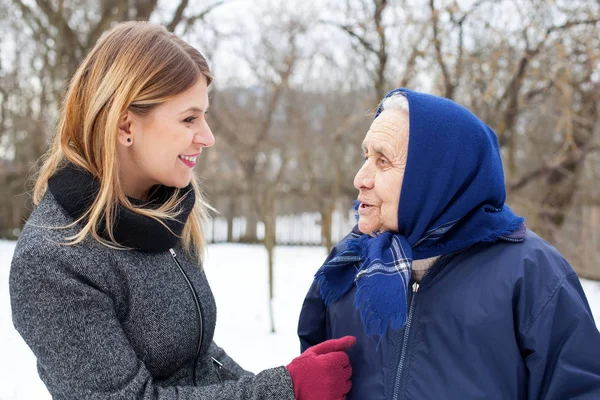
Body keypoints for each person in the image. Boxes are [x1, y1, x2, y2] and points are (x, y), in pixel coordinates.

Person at [9, 21, 355, 400]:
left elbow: (199, 358)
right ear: (126, 124)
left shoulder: (165, 214)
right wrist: (286, 390)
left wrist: (288, 382)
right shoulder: (53, 261)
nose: (207, 137)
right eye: (189, 118)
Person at [298, 88, 600, 399]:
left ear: (434, 177)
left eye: (383, 160)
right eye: (366, 156)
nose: (360, 178)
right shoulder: (349, 262)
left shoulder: (531, 273)